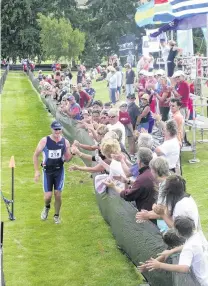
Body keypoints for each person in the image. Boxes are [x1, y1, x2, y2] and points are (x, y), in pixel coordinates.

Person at [142, 216, 208, 286]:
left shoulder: (188, 248)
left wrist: (160, 265)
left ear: (179, 233)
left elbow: (184, 268)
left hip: (203, 281)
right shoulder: (197, 235)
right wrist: (171, 251)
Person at [33, 121, 73, 224]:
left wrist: (72, 152)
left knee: (58, 194)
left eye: (59, 129)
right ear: (51, 129)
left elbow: (68, 159)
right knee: (48, 196)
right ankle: (46, 207)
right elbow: (36, 155)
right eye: (55, 129)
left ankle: (56, 215)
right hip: (47, 171)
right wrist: (37, 171)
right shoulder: (44, 141)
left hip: (59, 170)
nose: (57, 131)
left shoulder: (65, 142)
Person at [104, 147, 157, 215]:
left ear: (139, 162)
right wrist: (128, 181)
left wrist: (113, 186)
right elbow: (143, 185)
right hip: (151, 209)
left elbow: (127, 196)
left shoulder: (143, 177)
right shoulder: (152, 172)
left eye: (137, 159)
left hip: (144, 213)